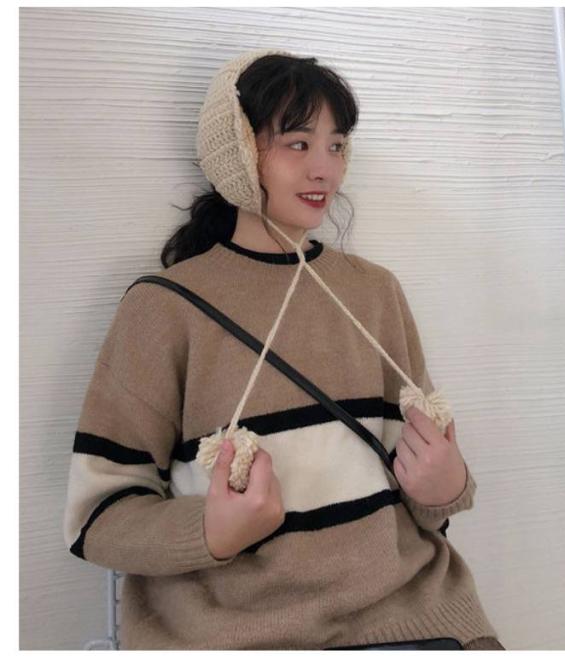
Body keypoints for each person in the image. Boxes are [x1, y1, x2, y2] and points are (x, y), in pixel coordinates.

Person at [62, 49, 505, 651]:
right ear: (238, 151)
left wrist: (446, 487)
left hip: (410, 614)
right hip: (234, 636)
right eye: (298, 143)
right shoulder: (164, 309)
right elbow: (97, 515)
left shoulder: (374, 291)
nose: (326, 169)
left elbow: (423, 488)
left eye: (337, 145)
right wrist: (213, 532)